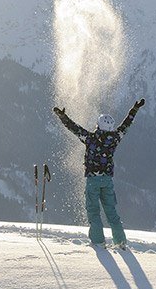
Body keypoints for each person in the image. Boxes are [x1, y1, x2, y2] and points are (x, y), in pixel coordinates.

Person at [53, 98, 145, 248]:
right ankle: (120, 242)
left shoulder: (90, 139)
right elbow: (125, 125)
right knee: (112, 212)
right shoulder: (115, 139)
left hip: (93, 181)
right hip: (107, 181)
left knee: (94, 212)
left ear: (98, 125)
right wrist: (134, 109)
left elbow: (74, 128)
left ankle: (98, 242)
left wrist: (63, 117)